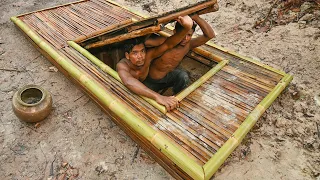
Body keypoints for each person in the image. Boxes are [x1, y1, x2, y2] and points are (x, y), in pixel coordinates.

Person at [116, 15, 193, 111]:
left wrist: (187, 28)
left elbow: (168, 44)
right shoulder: (122, 65)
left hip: (150, 84)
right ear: (127, 56)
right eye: (135, 53)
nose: (140, 56)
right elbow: (128, 81)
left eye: (142, 51)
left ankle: (176, 102)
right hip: (136, 90)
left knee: (182, 76)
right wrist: (158, 97)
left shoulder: (148, 56)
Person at [143, 12, 215, 95]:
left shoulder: (188, 45)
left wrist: (196, 17)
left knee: (183, 76)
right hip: (151, 80)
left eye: (189, 35)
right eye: (183, 34)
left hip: (168, 78)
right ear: (175, 32)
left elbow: (210, 35)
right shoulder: (164, 41)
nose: (186, 38)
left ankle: (177, 97)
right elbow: (144, 42)